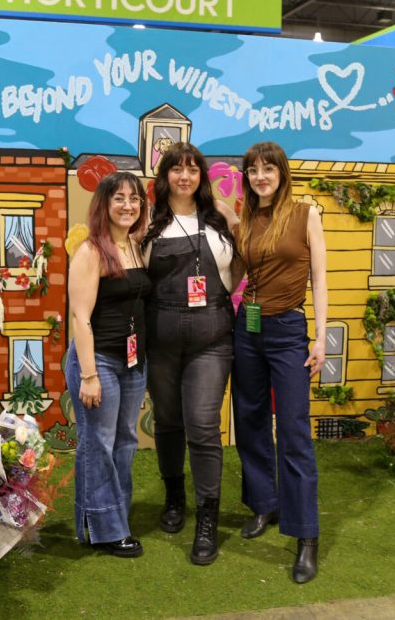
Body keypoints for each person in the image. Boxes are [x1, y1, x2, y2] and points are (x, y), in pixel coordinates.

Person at [232, 141, 327, 584]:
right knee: (249, 420)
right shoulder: (246, 218)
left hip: (289, 329)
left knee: (293, 430)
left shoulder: (306, 214)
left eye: (268, 169)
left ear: (282, 173)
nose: (260, 177)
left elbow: (319, 277)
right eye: (253, 170)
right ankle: (263, 504)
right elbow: (237, 273)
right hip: (247, 328)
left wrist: (321, 338)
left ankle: (306, 534)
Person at [142, 142, 238, 565]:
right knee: (167, 422)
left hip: (211, 339)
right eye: (176, 169)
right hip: (160, 339)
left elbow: (236, 271)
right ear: (165, 176)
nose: (185, 176)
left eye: (192, 169)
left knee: (202, 426)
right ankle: (174, 498)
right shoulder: (148, 221)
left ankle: (207, 519)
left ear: (202, 176)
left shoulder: (221, 218)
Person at [64, 172, 151, 558]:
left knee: (125, 441)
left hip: (132, 362)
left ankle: (116, 519)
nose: (128, 205)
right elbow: (80, 317)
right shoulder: (91, 251)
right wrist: (89, 375)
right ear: (104, 204)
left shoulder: (134, 245)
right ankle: (104, 529)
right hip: (97, 361)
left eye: (134, 198)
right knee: (98, 442)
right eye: (119, 198)